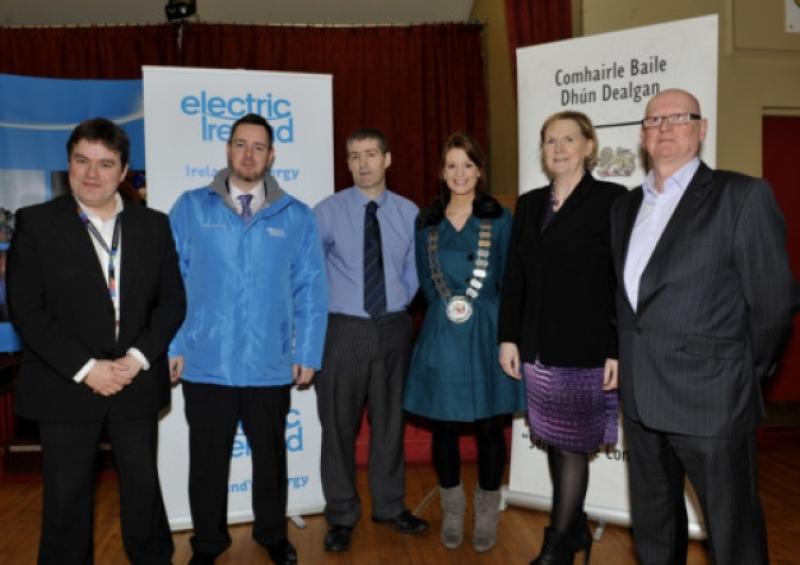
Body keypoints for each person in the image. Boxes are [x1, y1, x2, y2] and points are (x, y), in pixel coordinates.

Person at [610, 88, 794, 565]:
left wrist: (741, 373)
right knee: (654, 529)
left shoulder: (742, 195)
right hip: (641, 399)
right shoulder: (624, 207)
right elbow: (630, 303)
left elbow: (773, 304)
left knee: (734, 535)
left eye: (678, 117)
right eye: (654, 120)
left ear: (702, 128)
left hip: (713, 400)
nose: (664, 128)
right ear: (642, 135)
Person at [6, 118, 186, 564]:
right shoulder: (35, 224)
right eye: (82, 161)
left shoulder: (154, 225)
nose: (92, 174)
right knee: (66, 498)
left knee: (143, 490)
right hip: (64, 384)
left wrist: (140, 357)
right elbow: (28, 312)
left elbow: (172, 303)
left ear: (123, 171)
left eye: (105, 164)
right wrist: (89, 369)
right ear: (68, 164)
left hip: (135, 380)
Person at [168, 113, 328, 565]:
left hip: (269, 363)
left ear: (272, 155)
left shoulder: (295, 215)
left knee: (272, 462)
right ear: (228, 149)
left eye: (259, 147)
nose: (249, 154)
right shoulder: (191, 207)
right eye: (241, 144)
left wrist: (307, 351)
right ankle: (208, 543)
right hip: (206, 360)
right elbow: (171, 283)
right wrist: (175, 345)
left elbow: (311, 288)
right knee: (208, 464)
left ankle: (273, 535)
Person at [498, 111, 625, 564]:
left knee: (571, 446)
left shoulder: (612, 199)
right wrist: (509, 337)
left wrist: (616, 347)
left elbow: (621, 280)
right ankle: (574, 534)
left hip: (587, 346)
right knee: (554, 439)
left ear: (589, 147)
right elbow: (515, 276)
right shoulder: (530, 203)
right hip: (537, 346)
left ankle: (557, 546)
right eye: (550, 140)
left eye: (569, 139)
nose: (559, 148)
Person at [403, 132, 523, 553]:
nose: (459, 174)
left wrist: (509, 335)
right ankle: (453, 508)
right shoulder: (426, 223)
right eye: (451, 165)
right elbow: (424, 281)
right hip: (442, 331)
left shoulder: (501, 220)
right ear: (441, 172)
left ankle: (487, 510)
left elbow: (511, 281)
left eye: (467, 165)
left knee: (491, 425)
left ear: (479, 171)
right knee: (445, 425)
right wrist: (447, 312)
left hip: (488, 329)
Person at [313, 128, 428, 553]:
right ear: (347, 163)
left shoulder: (409, 212)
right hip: (343, 330)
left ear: (387, 159)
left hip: (395, 328)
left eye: (371, 154)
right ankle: (342, 514)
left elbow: (414, 273)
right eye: (354, 156)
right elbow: (308, 276)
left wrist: (396, 307)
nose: (362, 163)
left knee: (390, 425)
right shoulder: (325, 212)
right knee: (338, 429)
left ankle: (390, 505)